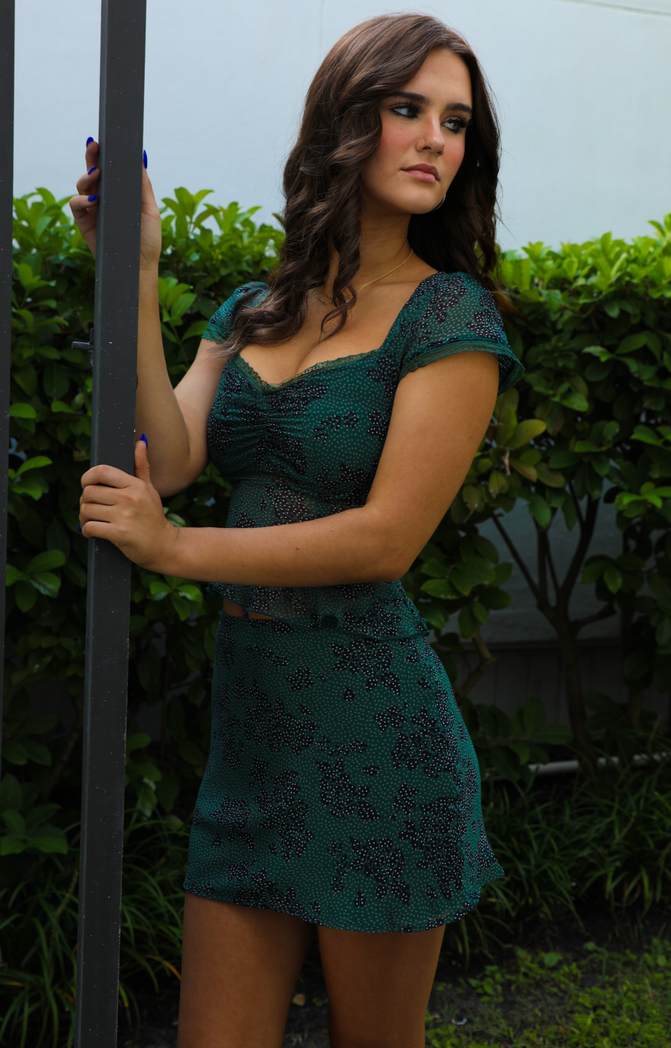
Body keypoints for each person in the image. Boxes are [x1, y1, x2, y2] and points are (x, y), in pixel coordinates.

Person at [71, 13, 522, 1048]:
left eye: (454, 122)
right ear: (342, 122)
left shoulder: (450, 318)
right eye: (405, 109)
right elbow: (174, 454)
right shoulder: (255, 306)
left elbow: (383, 540)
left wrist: (173, 547)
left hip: (377, 739)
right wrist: (134, 272)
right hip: (255, 739)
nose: (434, 140)